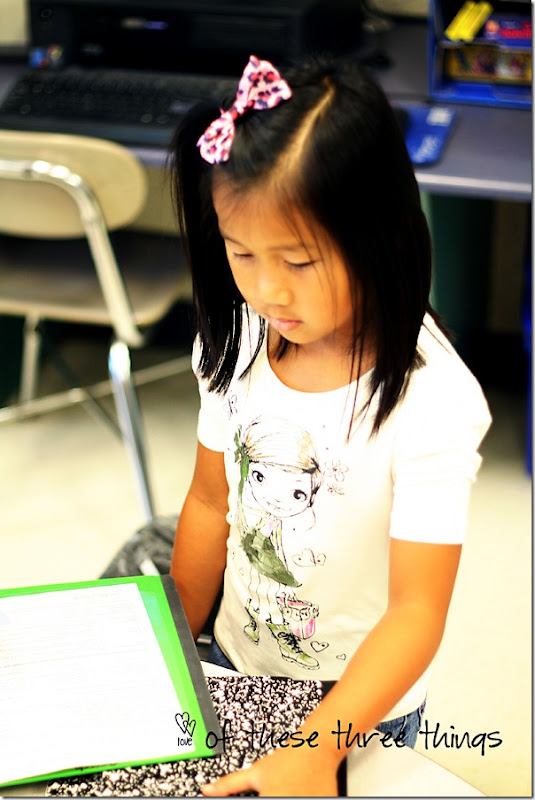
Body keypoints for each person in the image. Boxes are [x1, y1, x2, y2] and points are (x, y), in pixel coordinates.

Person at [168, 53, 491, 796]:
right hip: (239, 663)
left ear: (380, 235)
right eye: (241, 252)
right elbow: (211, 503)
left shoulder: (433, 399)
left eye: (298, 261)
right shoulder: (238, 338)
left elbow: (416, 611)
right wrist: (174, 648)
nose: (267, 290)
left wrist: (317, 749)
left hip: (357, 707)